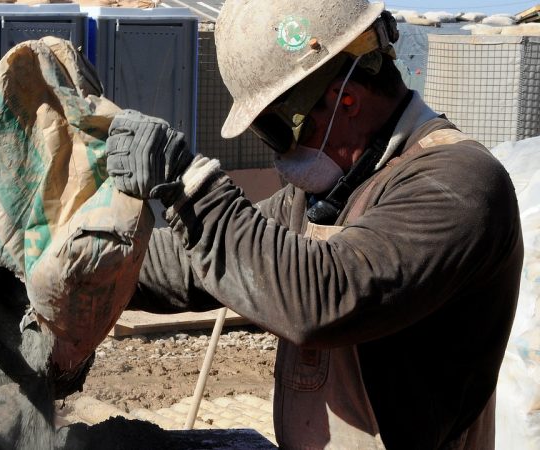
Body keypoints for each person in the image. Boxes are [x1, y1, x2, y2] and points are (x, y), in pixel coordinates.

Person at [104, 1, 523, 448]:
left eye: (276, 129)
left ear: (349, 98)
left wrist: (189, 186)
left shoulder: (458, 184)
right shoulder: (331, 193)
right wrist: (74, 259)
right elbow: (194, 262)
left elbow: (324, 294)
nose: (278, 154)